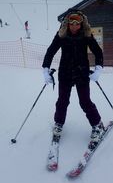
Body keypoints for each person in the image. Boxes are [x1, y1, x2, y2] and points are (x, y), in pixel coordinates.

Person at [42, 9, 104, 145]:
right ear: (67, 24)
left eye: (77, 23)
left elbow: (97, 51)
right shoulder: (61, 35)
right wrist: (45, 69)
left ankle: (97, 124)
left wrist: (99, 68)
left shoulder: (86, 35)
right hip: (65, 72)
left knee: (85, 101)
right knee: (62, 101)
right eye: (72, 23)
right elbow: (50, 51)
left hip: (81, 72)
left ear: (81, 24)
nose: (75, 26)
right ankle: (58, 124)